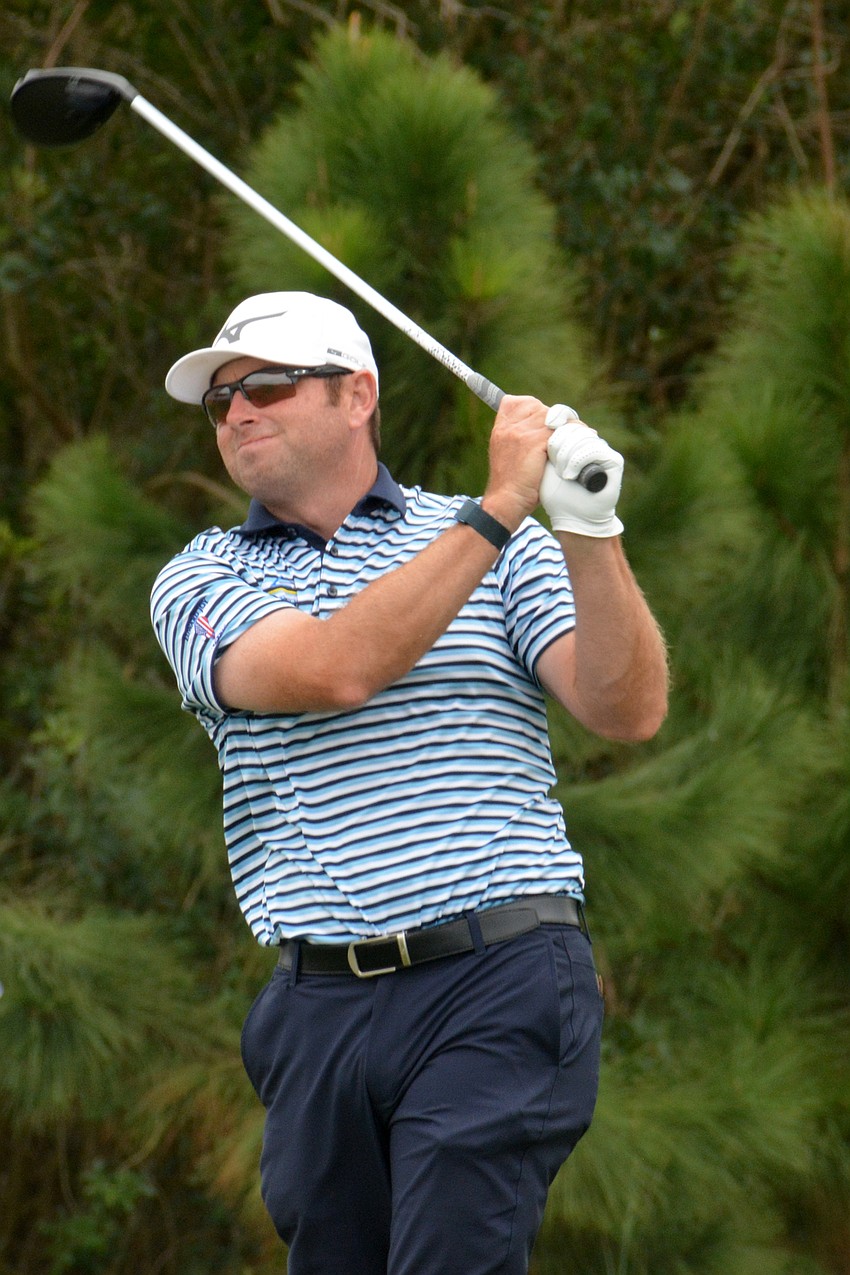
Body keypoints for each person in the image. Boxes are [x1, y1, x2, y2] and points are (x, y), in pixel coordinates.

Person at [150, 291, 668, 1275]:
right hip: (318, 1012)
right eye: (218, 404)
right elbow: (333, 670)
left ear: (357, 397)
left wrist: (590, 531)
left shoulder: (502, 546)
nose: (238, 413)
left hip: (496, 974)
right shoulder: (199, 579)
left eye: (265, 385)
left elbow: (623, 708)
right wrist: (502, 505)